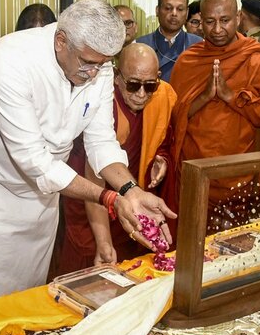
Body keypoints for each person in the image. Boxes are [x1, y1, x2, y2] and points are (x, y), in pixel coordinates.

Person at [0, 0, 175, 299]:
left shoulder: (97, 65)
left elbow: (101, 141)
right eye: (88, 63)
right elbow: (34, 161)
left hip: (45, 197)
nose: (95, 73)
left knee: (28, 298)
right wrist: (109, 197)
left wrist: (131, 190)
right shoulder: (10, 60)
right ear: (61, 41)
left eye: (103, 64)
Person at [58, 43, 177, 274]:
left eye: (150, 85)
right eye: (133, 85)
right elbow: (95, 176)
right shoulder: (102, 106)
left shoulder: (163, 98)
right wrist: (103, 240)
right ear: (115, 77)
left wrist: (160, 159)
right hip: (92, 207)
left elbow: (164, 140)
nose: (142, 94)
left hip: (131, 204)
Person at [168, 0, 260, 215]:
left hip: (244, 180)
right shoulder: (188, 61)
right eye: (210, 21)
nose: (217, 29)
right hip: (195, 176)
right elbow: (173, 118)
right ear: (200, 21)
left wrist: (230, 97)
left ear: (239, 17)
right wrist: (204, 97)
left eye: (225, 20)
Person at [136, 0, 201, 82]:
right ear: (157, 10)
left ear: (186, 13)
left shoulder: (199, 45)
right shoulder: (139, 45)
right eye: (168, 8)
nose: (174, 13)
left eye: (180, 9)